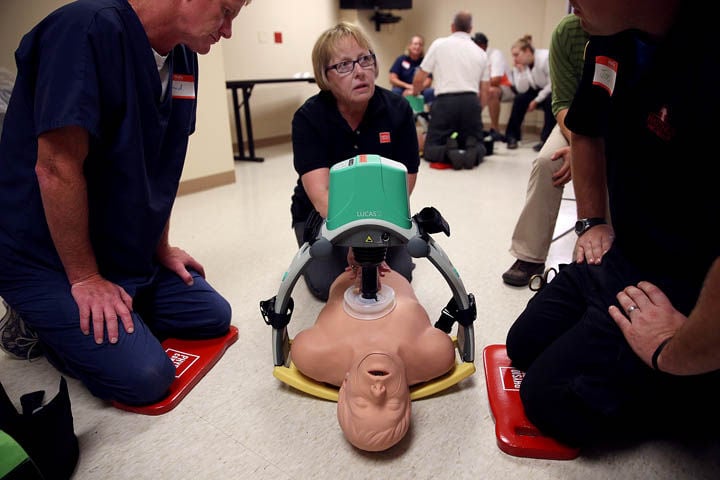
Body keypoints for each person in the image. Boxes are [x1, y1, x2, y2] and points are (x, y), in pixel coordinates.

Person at [0, 0, 251, 405]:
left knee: (211, 315)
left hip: (116, 250)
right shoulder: (84, 30)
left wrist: (160, 246)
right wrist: (85, 279)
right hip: (45, 258)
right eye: (225, 11)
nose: (227, 31)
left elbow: (164, 158)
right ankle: (36, 324)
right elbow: (56, 168)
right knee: (146, 376)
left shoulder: (184, 57)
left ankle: (112, 314)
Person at [506, 0, 720, 448]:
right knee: (523, 344)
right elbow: (587, 126)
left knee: (549, 397)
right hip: (628, 254)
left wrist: (675, 351)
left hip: (688, 288)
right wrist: (593, 222)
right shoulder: (611, 39)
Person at [291, 22, 419, 302]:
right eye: (344, 65)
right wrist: (357, 241)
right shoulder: (308, 118)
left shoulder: (398, 110)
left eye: (365, 59)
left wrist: (374, 241)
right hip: (321, 214)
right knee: (330, 285)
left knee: (396, 276)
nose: (360, 71)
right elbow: (321, 196)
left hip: (384, 211)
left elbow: (405, 182)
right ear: (325, 76)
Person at [291, 267, 456, 452]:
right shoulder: (431, 356)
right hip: (391, 272)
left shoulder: (316, 356)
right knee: (403, 258)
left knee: (320, 281)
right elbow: (442, 345)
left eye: (361, 402)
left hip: (347, 273)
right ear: (407, 397)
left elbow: (300, 346)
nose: (378, 391)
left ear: (345, 385)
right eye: (393, 405)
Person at [502, 14, 590, 286]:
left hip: (618, 123)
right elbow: (561, 101)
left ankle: (593, 258)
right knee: (546, 161)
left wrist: (590, 154)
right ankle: (530, 254)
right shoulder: (567, 32)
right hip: (575, 117)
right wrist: (578, 145)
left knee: (611, 169)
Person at [412, 11, 489, 170]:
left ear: (452, 27)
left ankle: (448, 153)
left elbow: (419, 79)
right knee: (479, 143)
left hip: (445, 103)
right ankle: (473, 151)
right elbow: (486, 91)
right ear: (470, 29)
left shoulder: (439, 44)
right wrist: (477, 109)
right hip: (470, 102)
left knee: (431, 148)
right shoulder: (481, 53)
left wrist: (416, 93)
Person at [504, 35, 556, 151]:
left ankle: (546, 140)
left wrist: (536, 100)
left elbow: (552, 84)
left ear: (527, 51)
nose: (515, 59)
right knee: (519, 99)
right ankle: (512, 136)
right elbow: (522, 89)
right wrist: (521, 71)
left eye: (517, 55)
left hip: (551, 90)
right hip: (536, 90)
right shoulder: (522, 65)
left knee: (550, 100)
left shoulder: (545, 58)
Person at [472, 32, 514, 142]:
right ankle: (472, 129)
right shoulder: (475, 57)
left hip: (506, 87)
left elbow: (496, 81)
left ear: (482, 46)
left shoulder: (495, 54)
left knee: (491, 92)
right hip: (485, 87)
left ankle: (495, 129)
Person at [389, 34, 435, 105]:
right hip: (403, 88)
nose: (417, 46)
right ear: (409, 46)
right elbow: (392, 79)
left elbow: (428, 81)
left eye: (420, 44)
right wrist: (407, 86)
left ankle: (429, 115)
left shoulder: (425, 61)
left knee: (430, 92)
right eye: (415, 44)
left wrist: (415, 90)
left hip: (420, 89)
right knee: (395, 92)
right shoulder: (401, 59)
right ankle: (397, 115)